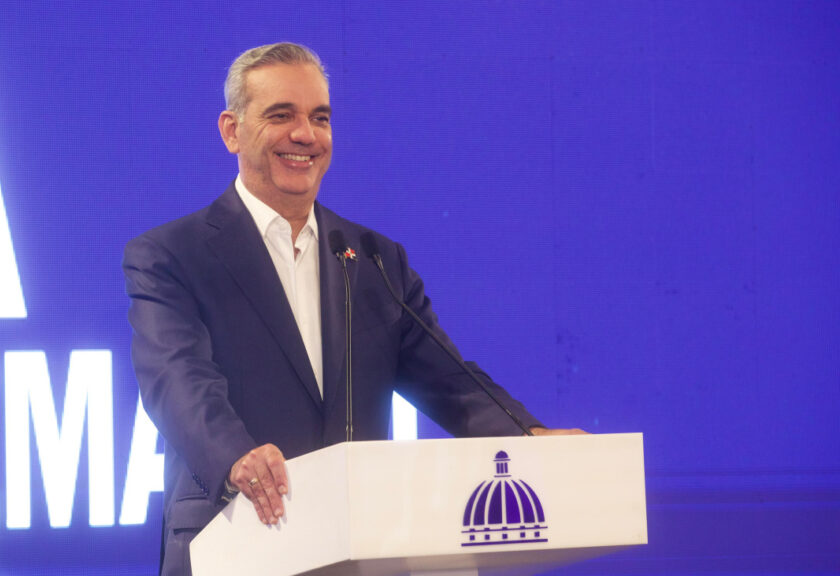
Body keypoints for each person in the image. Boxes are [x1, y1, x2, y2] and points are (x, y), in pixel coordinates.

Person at [123, 42, 584, 576]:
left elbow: (449, 381)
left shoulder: (372, 258)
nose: (306, 135)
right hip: (233, 536)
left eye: (320, 118)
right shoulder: (172, 254)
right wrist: (235, 456)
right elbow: (177, 379)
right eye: (281, 115)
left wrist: (527, 438)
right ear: (232, 131)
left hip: (357, 546)